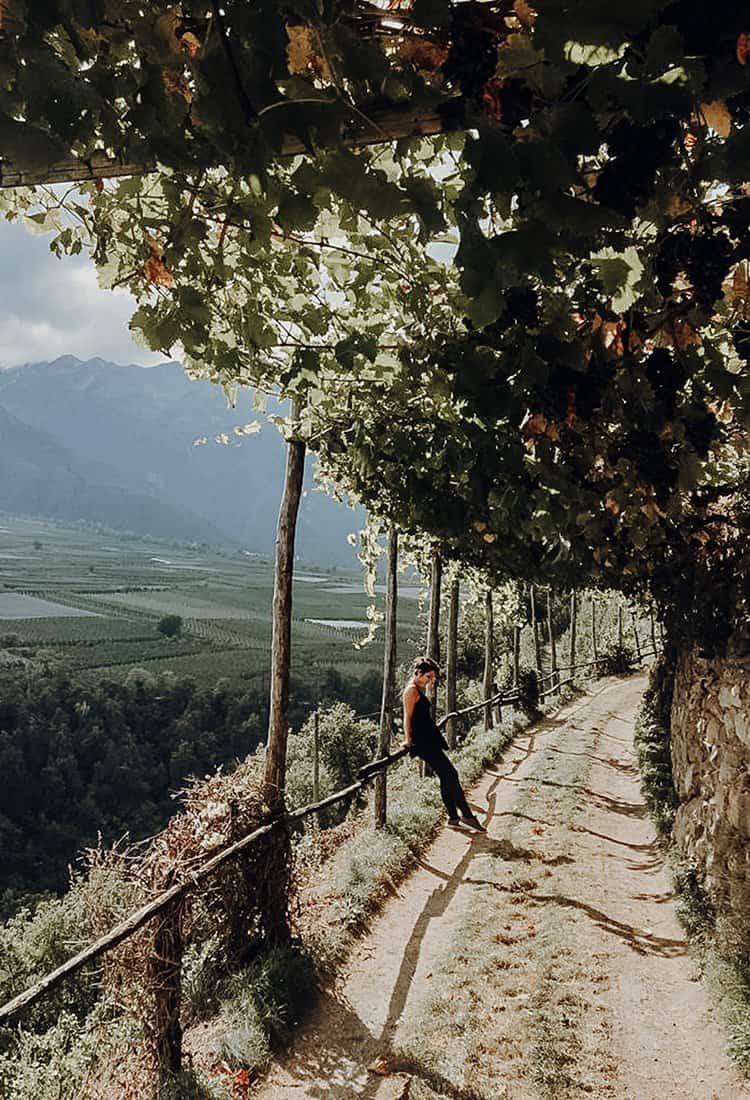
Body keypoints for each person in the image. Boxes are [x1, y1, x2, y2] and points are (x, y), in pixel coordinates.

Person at [402, 656, 486, 832]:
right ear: (418, 673)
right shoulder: (411, 691)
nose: (431, 681)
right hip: (423, 742)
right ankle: (466, 816)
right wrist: (408, 741)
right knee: (451, 774)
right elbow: (407, 717)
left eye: (432, 678)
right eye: (428, 677)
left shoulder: (418, 688)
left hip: (429, 739)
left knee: (446, 776)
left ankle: (455, 818)